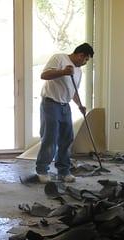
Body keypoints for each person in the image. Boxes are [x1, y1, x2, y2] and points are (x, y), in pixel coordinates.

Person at [35, 43, 94, 183]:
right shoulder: (59, 58)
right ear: (80, 55)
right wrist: (63, 72)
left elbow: (72, 91)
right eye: (85, 60)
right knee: (50, 138)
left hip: (64, 106)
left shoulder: (78, 71)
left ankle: (63, 171)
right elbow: (44, 75)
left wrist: (80, 105)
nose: (85, 63)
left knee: (67, 139)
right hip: (50, 103)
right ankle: (42, 170)